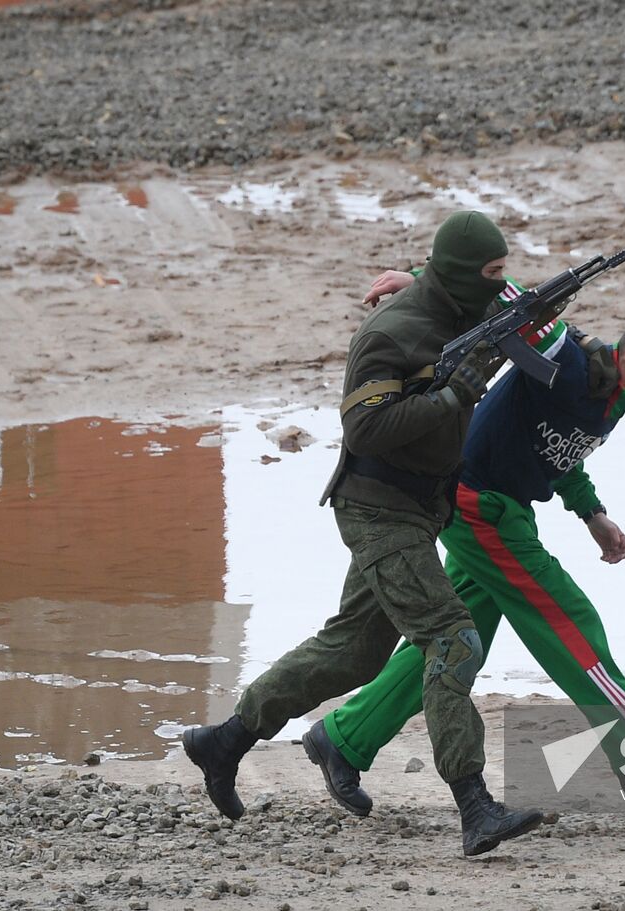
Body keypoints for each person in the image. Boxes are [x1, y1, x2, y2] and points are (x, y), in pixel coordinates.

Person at [183, 210, 544, 858]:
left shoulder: (464, 307)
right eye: (490, 274)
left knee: (355, 650)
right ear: (461, 276)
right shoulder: (391, 333)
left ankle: (225, 741)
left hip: (416, 507)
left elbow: (516, 303)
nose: (501, 285)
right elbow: (365, 429)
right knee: (452, 635)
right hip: (378, 509)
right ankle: (475, 805)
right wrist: (452, 395)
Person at [299, 264, 625, 816]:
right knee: (568, 619)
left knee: (457, 640)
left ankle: (343, 738)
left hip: (507, 512)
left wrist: (591, 513)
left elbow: (560, 452)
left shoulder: (616, 398)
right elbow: (510, 301)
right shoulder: (567, 358)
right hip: (475, 504)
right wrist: (419, 281)